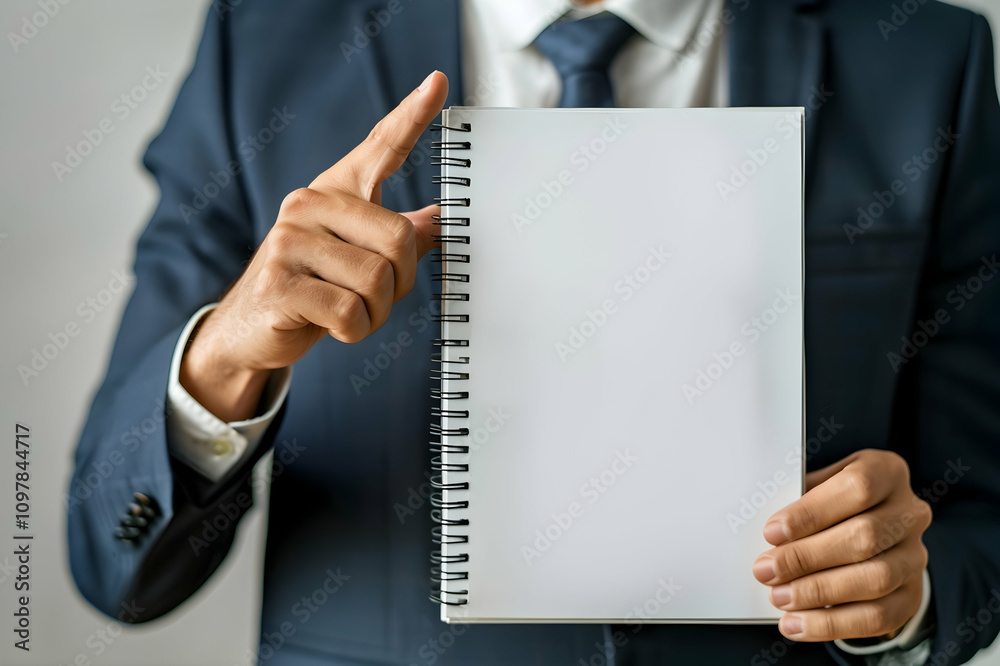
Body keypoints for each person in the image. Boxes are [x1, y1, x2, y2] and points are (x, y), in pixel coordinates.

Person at [67, 0, 1000, 664]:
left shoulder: (925, 56)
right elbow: (115, 566)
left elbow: (982, 512)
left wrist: (903, 596)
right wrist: (227, 356)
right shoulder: (265, 43)